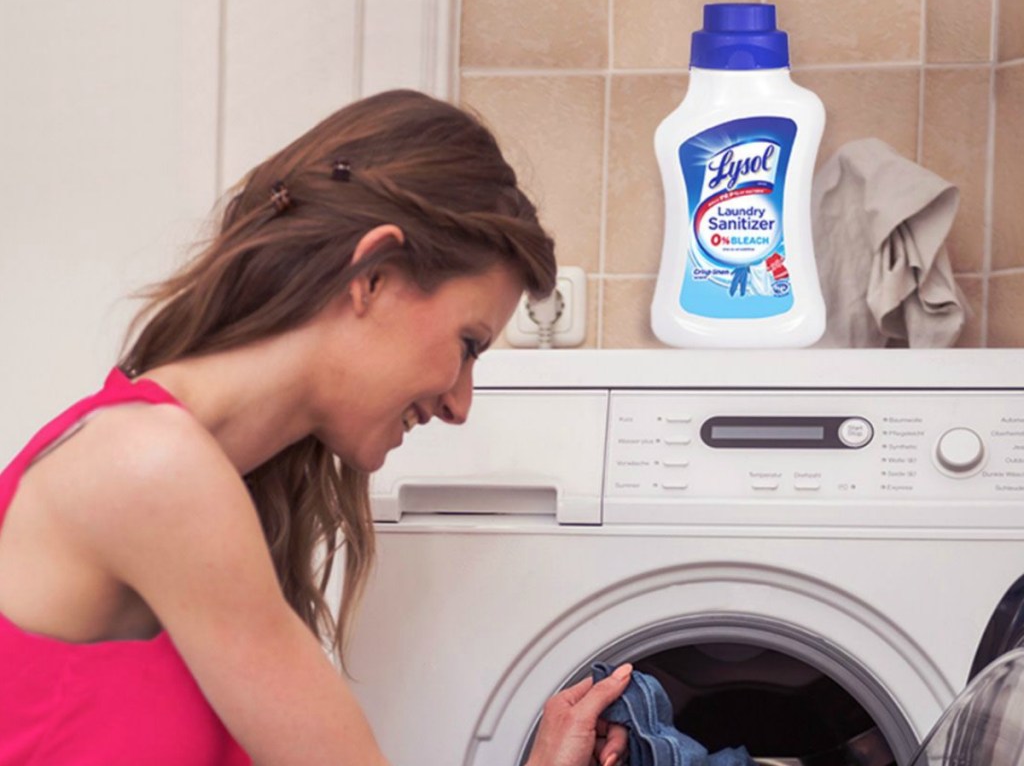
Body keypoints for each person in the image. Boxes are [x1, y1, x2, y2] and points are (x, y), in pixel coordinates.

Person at [0, 89, 630, 765]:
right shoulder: (150, 465)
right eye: (469, 344)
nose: (460, 403)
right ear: (373, 277)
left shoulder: (183, 464)